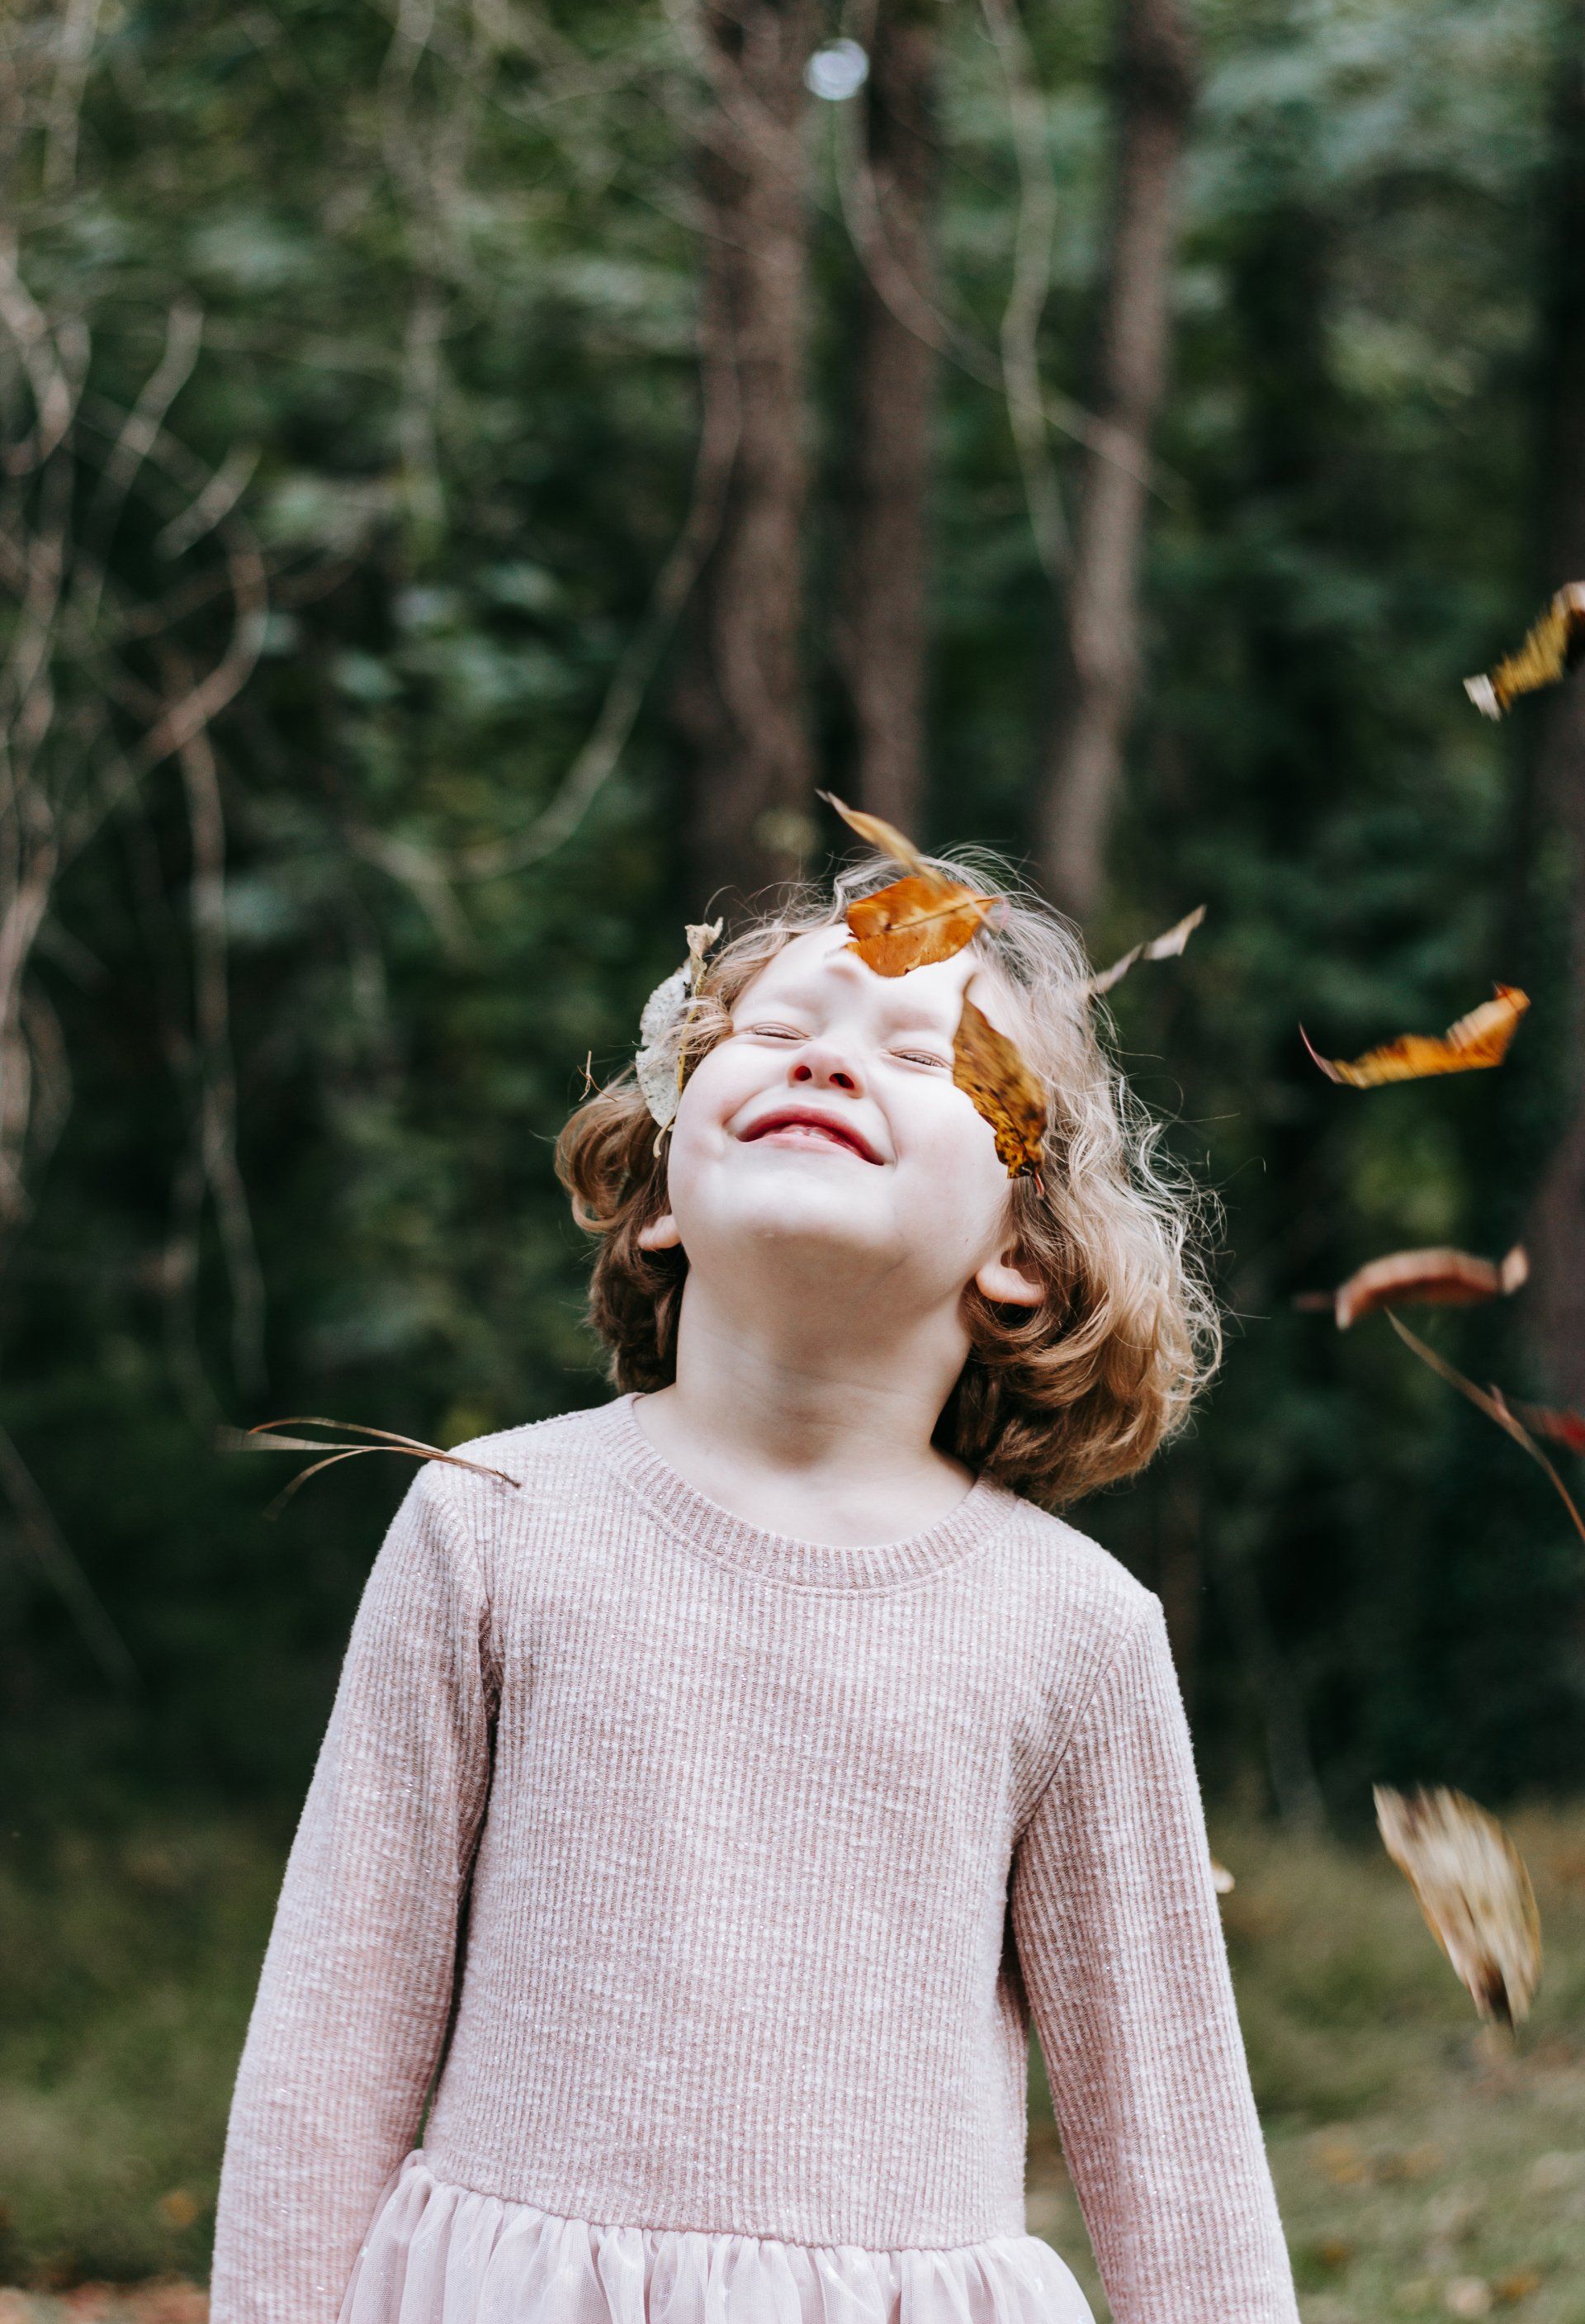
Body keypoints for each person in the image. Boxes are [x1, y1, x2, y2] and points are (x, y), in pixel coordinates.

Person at [210, 842, 1302, 2324]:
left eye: (924, 1051)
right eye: (775, 1032)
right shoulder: (493, 1526)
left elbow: (1174, 2144)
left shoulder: (1077, 1632)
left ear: (1022, 1258)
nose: (830, 1062)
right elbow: (333, 2033)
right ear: (660, 1195)